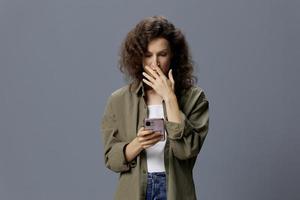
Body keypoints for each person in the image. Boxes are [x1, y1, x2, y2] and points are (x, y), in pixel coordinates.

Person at [101, 15, 209, 200]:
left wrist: (170, 98)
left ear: (173, 55)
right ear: (138, 57)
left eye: (162, 54)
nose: (155, 63)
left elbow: (187, 151)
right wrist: (138, 143)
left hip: (175, 190)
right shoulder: (118, 100)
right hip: (134, 192)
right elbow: (111, 159)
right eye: (148, 55)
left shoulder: (194, 98)